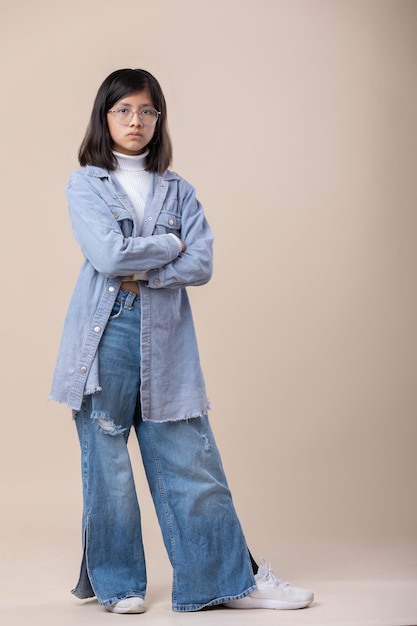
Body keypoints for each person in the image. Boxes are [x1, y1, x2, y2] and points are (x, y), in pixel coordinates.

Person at [50, 68, 314, 615]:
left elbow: (201, 262)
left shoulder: (178, 188)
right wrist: (169, 244)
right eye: (123, 111)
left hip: (165, 336)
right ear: (104, 117)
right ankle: (119, 585)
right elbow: (107, 257)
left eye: (147, 111)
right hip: (106, 332)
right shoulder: (86, 183)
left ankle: (225, 580)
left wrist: (148, 264)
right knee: (108, 464)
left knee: (190, 458)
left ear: (159, 119)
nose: (136, 121)